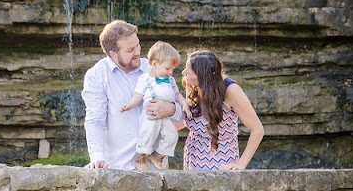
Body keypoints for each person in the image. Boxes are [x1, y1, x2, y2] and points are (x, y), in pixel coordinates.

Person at [81, 20, 184, 170]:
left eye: (137, 45)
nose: (137, 52)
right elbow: (95, 120)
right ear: (113, 54)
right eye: (130, 50)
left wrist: (171, 109)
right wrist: (97, 158)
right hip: (118, 167)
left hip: (154, 168)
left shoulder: (155, 67)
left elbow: (183, 115)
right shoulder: (97, 75)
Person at [180, 50, 264, 170]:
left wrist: (241, 164)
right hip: (193, 155)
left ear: (204, 75)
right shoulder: (193, 84)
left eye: (189, 71)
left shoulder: (231, 90)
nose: (183, 73)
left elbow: (257, 130)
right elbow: (191, 121)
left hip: (221, 158)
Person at [120, 41, 191, 170]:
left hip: (165, 115)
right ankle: (139, 156)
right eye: (167, 69)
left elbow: (178, 95)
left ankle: (157, 155)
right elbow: (138, 95)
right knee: (148, 133)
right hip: (150, 113)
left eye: (173, 69)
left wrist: (184, 103)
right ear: (154, 64)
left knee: (172, 134)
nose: (170, 72)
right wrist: (130, 105)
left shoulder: (170, 80)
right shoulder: (145, 79)